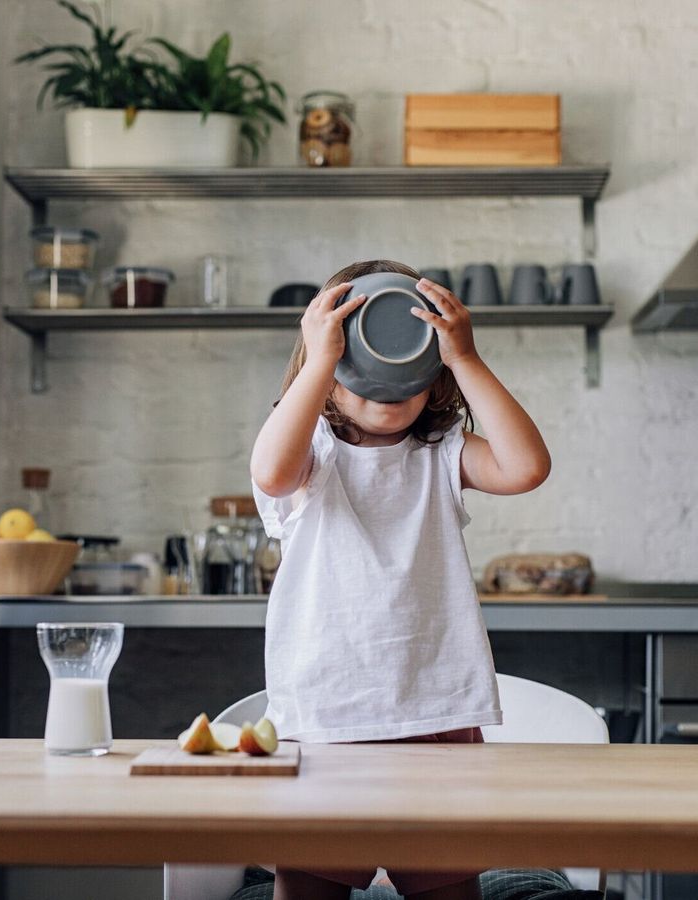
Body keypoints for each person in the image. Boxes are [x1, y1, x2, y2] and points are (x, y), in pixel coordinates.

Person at [250, 260, 552, 900]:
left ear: (434, 381)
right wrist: (318, 359)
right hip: (327, 717)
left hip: (436, 712)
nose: (386, 393)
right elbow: (273, 473)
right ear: (327, 382)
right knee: (308, 889)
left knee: (447, 888)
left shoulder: (442, 456)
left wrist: (465, 356)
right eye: (360, 377)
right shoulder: (311, 461)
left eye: (406, 379)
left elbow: (526, 467)